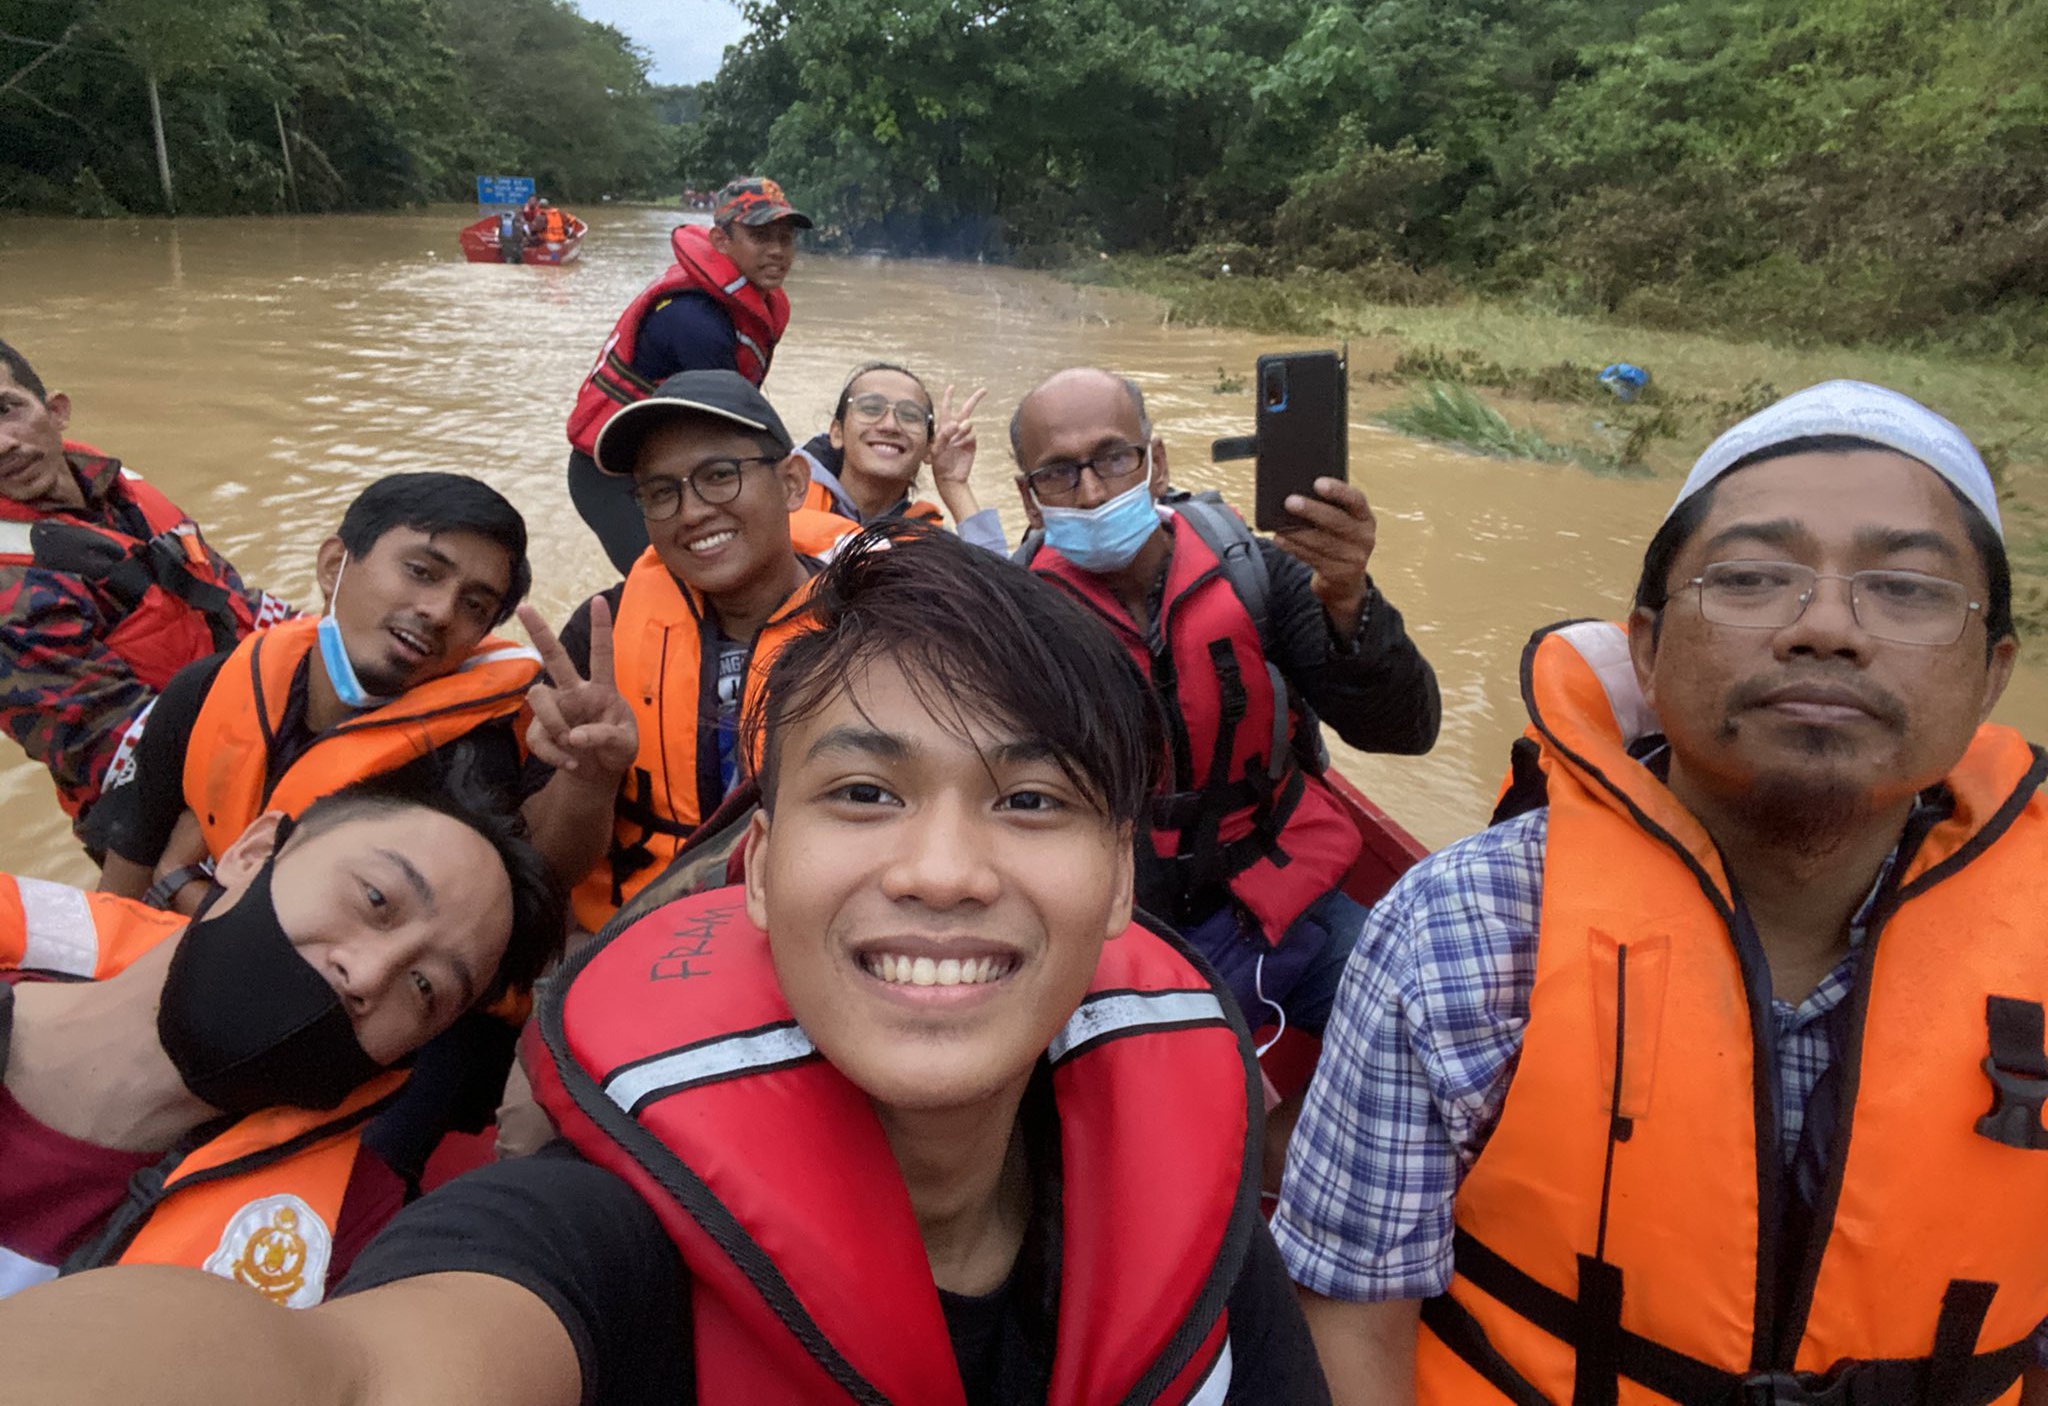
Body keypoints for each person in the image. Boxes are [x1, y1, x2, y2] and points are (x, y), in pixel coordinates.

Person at [0, 524, 1333, 1406]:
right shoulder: (598, 1238)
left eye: (1031, 804)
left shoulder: (1196, 1208)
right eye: (863, 795)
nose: (943, 870)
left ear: (1118, 892)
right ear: (753, 872)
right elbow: (347, 1374)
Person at [1278, 380, 2048, 1404]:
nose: (1824, 627)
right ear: (1642, 645)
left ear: (1991, 674)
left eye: (1904, 589)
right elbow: (1350, 1325)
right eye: (1748, 579)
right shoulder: (1461, 934)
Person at [0, 769, 563, 1308]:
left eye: (424, 987)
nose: (367, 976)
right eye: (374, 901)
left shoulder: (347, 1245)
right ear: (253, 852)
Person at [1010, 367, 1440, 1044]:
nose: (1091, 492)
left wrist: (1351, 599)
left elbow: (1405, 732)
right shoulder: (1009, 622)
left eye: (1114, 458)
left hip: (1283, 890)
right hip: (1114, 927)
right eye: (1059, 473)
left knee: (1427, 1021)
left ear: (1156, 464)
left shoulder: (1261, 574)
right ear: (1029, 500)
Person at [85, 472, 617, 903]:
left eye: (474, 606)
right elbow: (128, 873)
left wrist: (181, 885)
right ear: (334, 564)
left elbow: (537, 884)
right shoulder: (203, 691)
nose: (439, 612)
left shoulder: (469, 759)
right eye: (422, 571)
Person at [553, 369, 856, 934]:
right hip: (638, 940)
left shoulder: (878, 621)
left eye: (719, 475)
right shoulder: (602, 635)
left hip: (821, 936)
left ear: (793, 483)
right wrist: (589, 777)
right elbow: (547, 867)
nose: (691, 512)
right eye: (661, 492)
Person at [0, 338, 286, 831]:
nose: (2, 443)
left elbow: (229, 598)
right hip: (160, 815)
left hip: (253, 708)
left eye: (7, 409)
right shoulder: (12, 596)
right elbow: (122, 751)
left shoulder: (120, 488)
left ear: (57, 411)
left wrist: (327, 642)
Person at [566, 177, 815, 573]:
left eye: (786, 239)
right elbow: (730, 430)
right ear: (720, 241)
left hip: (668, 463)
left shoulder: (740, 304)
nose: (777, 251)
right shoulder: (694, 321)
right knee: (677, 581)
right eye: (761, 237)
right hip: (612, 478)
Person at [797, 359, 1007, 554]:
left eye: (910, 415)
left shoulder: (930, 544)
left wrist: (954, 484)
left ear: (928, 447)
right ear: (836, 432)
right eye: (870, 409)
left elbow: (1001, 591)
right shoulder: (783, 499)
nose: (890, 425)